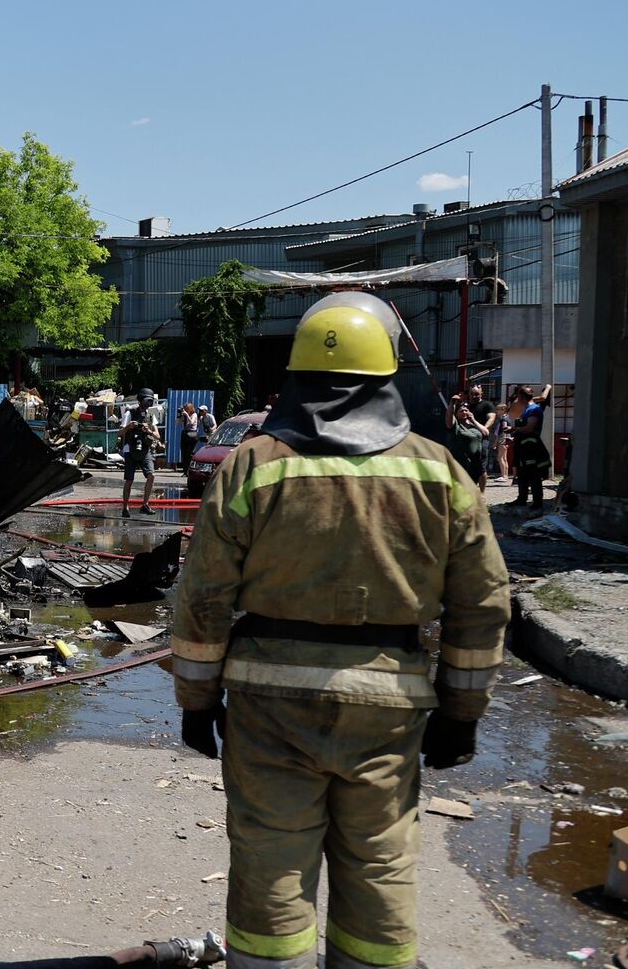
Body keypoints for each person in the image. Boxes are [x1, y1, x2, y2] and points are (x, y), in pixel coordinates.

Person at [174, 292, 510, 969]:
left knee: (271, 867)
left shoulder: (254, 465)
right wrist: (462, 714)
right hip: (389, 709)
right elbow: (482, 605)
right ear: (388, 378)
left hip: (268, 708)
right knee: (381, 865)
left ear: (296, 379)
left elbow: (203, 597)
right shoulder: (438, 472)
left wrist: (198, 700)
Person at [508, 384, 553, 512]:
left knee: (533, 475)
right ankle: (522, 499)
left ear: (521, 396)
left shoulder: (534, 410)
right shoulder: (526, 409)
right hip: (522, 447)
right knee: (522, 474)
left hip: (531, 448)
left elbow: (529, 428)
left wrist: (514, 429)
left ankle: (537, 503)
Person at [119, 388, 162, 517]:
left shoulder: (150, 416)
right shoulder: (129, 413)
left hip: (144, 449)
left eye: (151, 401)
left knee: (151, 475)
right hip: (130, 449)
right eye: (147, 400)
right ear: (140, 400)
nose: (149, 403)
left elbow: (157, 436)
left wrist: (149, 430)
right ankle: (125, 507)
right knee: (129, 480)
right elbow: (120, 433)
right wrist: (129, 427)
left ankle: (145, 504)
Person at [448, 399, 488, 492]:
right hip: (463, 460)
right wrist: (452, 404)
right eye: (461, 411)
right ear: (457, 414)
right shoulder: (456, 426)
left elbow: (485, 432)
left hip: (477, 459)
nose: (464, 412)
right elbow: (449, 418)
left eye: (466, 410)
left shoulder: (474, 425)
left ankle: (481, 495)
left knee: (479, 475)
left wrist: (473, 420)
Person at [492, 402, 512, 484]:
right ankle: (505, 475)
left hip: (502, 439)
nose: (497, 411)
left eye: (498, 410)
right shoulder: (508, 418)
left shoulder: (503, 419)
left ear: (503, 410)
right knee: (504, 458)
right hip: (505, 439)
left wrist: (501, 440)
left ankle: (503, 475)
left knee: (500, 458)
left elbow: (504, 429)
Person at [177, 402, 200, 472]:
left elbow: (191, 422)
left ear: (190, 409)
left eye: (187, 409)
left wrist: (187, 415)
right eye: (185, 409)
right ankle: (185, 470)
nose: (185, 410)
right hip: (185, 434)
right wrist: (179, 416)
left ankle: (190, 470)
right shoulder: (184, 415)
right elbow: (178, 423)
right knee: (184, 453)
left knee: (189, 453)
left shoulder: (194, 415)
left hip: (192, 434)